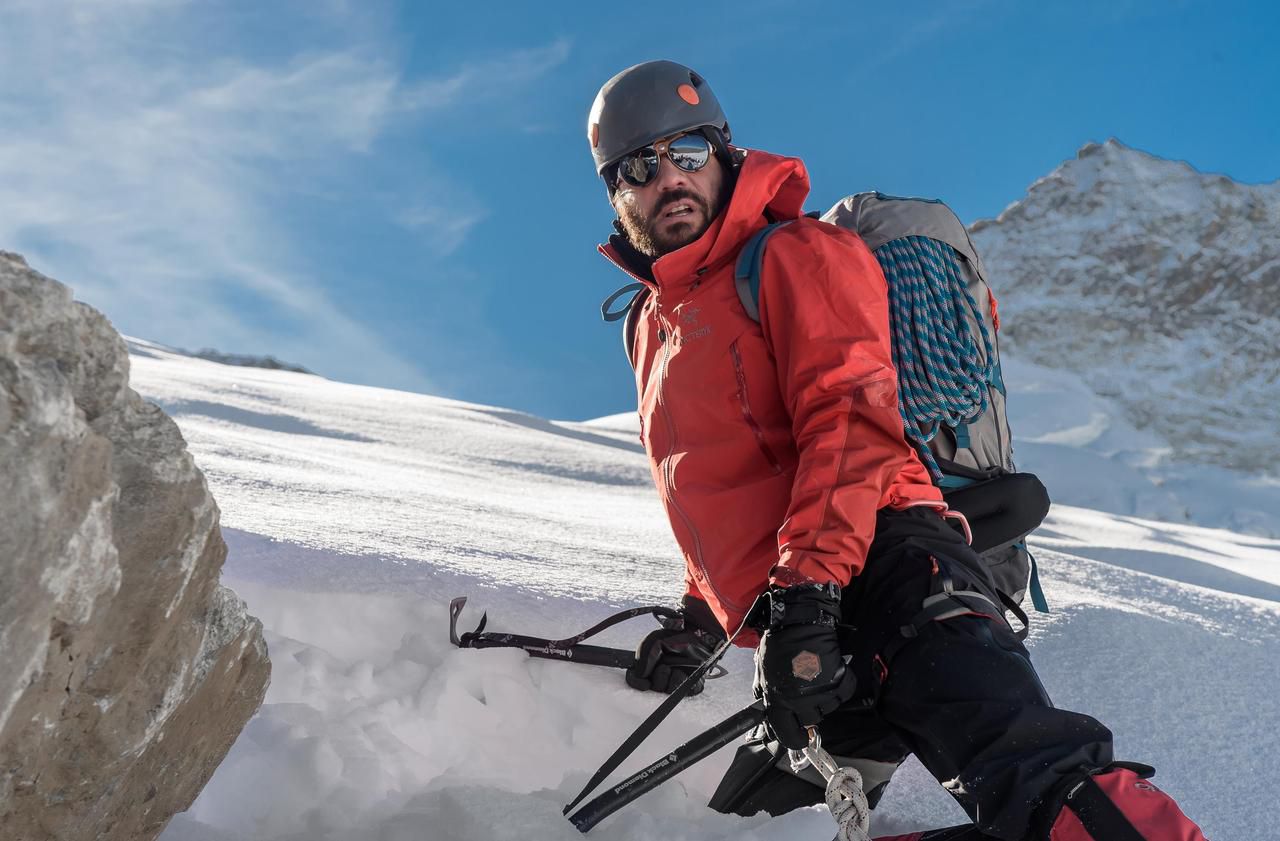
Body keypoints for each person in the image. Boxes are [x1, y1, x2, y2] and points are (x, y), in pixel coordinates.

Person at [587, 60, 1206, 841]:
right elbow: (715, 490)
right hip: (802, 620)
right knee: (757, 835)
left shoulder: (797, 254)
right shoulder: (652, 327)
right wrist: (701, 619)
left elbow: (849, 420)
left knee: (1041, 786)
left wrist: (809, 594)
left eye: (687, 153)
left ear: (725, 153)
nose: (668, 178)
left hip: (890, 571)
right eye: (640, 167)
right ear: (616, 192)